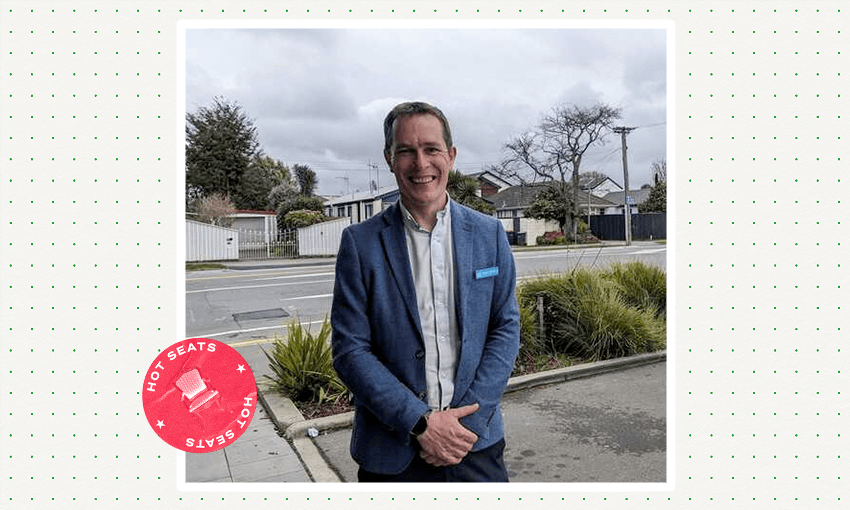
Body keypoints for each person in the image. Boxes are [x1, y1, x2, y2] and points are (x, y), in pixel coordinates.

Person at [331, 101, 520, 482]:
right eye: (406, 151)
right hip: (391, 451)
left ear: (450, 155)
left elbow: (505, 327)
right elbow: (350, 350)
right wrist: (420, 423)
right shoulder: (359, 243)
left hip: (475, 443)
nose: (421, 164)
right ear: (389, 158)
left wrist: (465, 423)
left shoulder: (489, 235)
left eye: (431, 149)